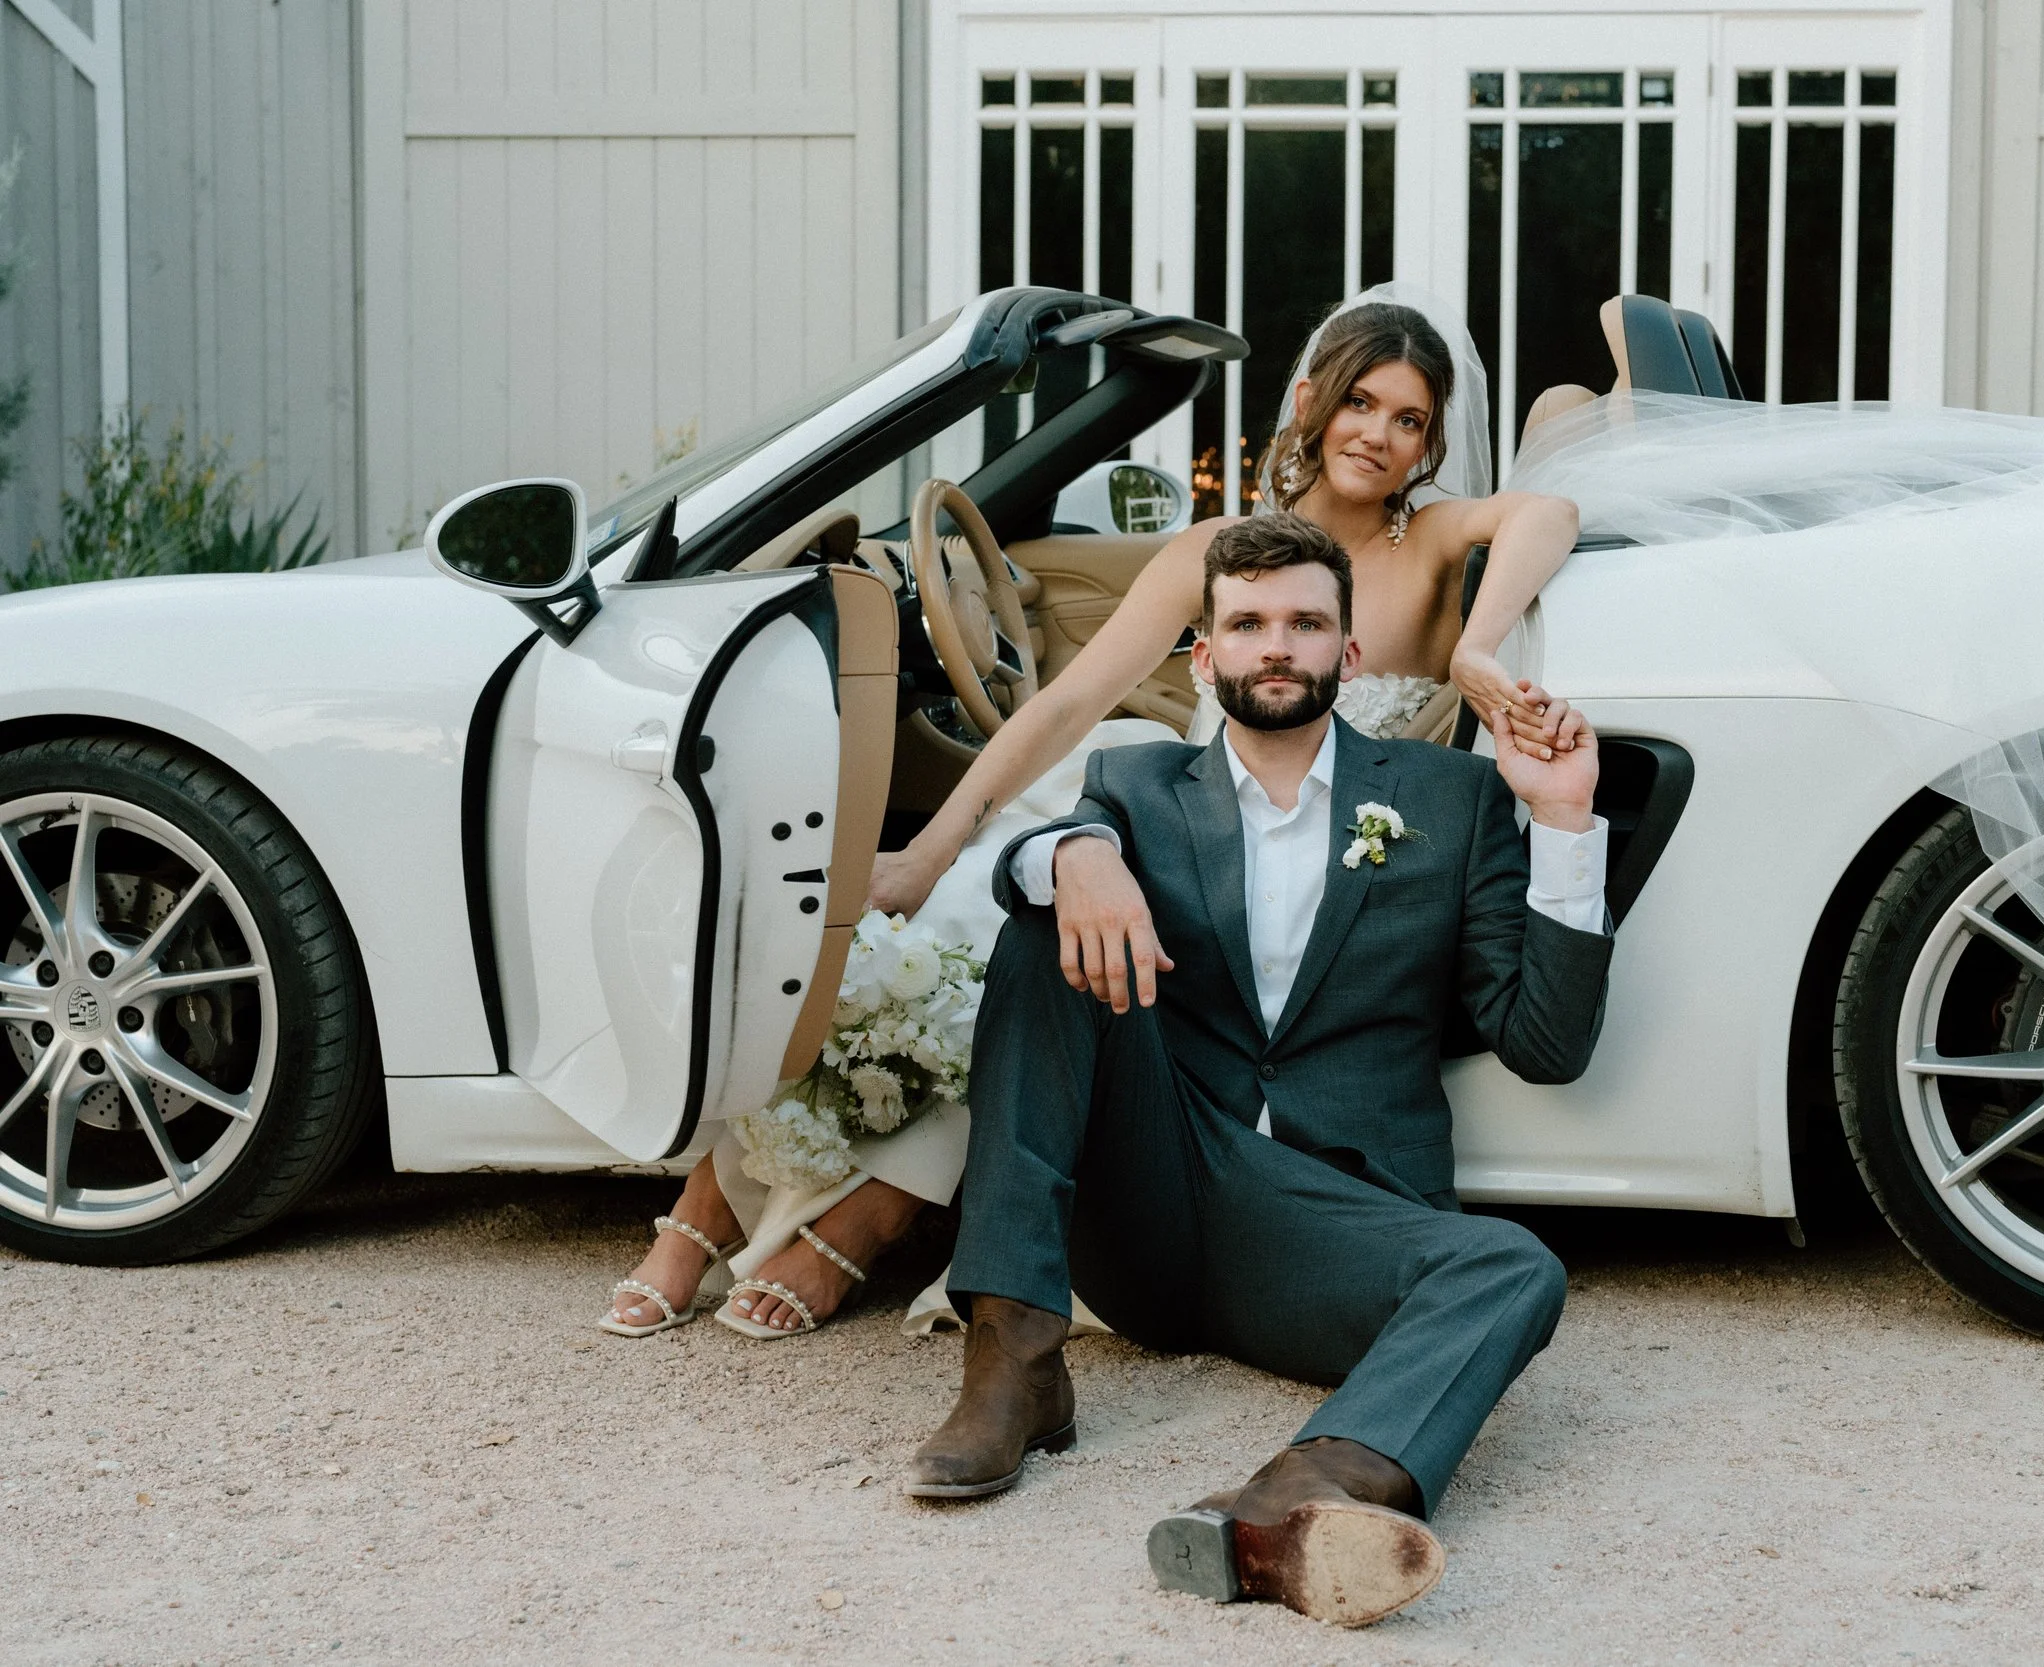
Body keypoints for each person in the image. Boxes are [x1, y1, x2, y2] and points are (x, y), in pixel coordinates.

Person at [598, 287, 1588, 1339]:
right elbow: (1067, 703)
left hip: (1281, 866)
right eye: (1360, 402)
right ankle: (710, 1206)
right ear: (1309, 400)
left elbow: (1548, 511)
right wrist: (929, 852)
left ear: (1433, 442)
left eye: (1408, 420)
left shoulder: (1431, 538)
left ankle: (860, 1217)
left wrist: (1477, 646)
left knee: (1014, 925)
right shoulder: (1211, 545)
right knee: (944, 910)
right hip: (1174, 815)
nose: (1378, 436)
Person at [901, 514, 1613, 1628]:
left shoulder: (1449, 798)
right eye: (1247, 623)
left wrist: (1563, 819)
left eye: (1304, 623)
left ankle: (1298, 1495)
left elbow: (1546, 1045)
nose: (1274, 644)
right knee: (1045, 919)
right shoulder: (1134, 786)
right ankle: (1013, 1359)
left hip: (1335, 1227)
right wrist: (1071, 850)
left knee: (1512, 1268)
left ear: (1349, 653)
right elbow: (1043, 867)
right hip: (1158, 1194)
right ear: (1206, 654)